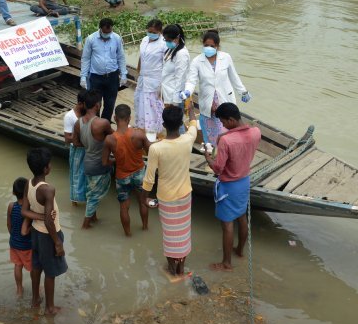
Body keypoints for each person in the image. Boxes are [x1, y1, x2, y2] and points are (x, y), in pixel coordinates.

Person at [203, 103, 261, 272]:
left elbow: (218, 168)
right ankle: (240, 251)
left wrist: (208, 157)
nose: (223, 125)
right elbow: (243, 136)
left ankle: (226, 263)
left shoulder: (227, 141)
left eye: (223, 122)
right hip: (244, 181)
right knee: (241, 217)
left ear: (231, 119)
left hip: (229, 185)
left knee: (227, 225)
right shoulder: (256, 132)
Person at [142, 104, 198, 277]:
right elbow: (194, 124)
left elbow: (149, 178)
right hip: (185, 194)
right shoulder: (188, 139)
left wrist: (145, 198)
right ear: (181, 123)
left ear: (163, 125)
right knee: (183, 232)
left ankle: (173, 270)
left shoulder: (156, 148)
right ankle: (182, 268)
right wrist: (190, 109)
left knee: (170, 234)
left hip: (166, 197)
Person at [182, 30, 251, 148]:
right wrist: (187, 91)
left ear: (217, 46)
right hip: (208, 103)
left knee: (228, 134)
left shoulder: (226, 57)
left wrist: (243, 92)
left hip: (224, 100)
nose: (208, 48)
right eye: (206, 45)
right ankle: (212, 158)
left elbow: (234, 77)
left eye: (212, 46)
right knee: (211, 137)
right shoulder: (197, 61)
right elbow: (191, 80)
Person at [21, 148, 67, 315]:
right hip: (49, 235)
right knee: (50, 272)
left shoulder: (29, 183)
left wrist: (40, 216)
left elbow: (24, 211)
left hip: (35, 233)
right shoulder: (48, 189)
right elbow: (49, 221)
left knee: (37, 266)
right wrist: (57, 242)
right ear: (46, 168)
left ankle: (35, 300)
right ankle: (50, 308)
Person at [102, 104, 150, 236]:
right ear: (129, 118)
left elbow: (105, 162)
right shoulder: (139, 134)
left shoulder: (109, 139)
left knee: (124, 207)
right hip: (139, 173)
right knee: (143, 201)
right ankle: (145, 228)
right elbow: (151, 152)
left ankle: (128, 235)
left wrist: (116, 160)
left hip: (122, 176)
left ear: (114, 118)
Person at [72, 90, 113, 229]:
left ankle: (93, 218)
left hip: (87, 163)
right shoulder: (102, 123)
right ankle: (85, 224)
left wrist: (89, 144)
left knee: (91, 194)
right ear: (97, 105)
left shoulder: (78, 123)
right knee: (94, 197)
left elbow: (76, 143)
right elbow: (114, 139)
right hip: (100, 165)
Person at [79, 17, 127, 120]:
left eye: (109, 32)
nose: (107, 35)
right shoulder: (91, 39)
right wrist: (83, 76)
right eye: (105, 32)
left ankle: (105, 124)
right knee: (94, 104)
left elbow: (121, 57)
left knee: (110, 104)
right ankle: (95, 124)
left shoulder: (117, 38)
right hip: (96, 77)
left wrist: (124, 74)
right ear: (100, 29)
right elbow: (86, 58)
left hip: (112, 77)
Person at [134, 19, 166, 137]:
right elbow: (141, 57)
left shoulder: (163, 44)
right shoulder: (144, 40)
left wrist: (163, 85)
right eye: (149, 31)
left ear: (160, 31)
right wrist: (138, 71)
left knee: (153, 106)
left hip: (155, 80)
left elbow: (166, 64)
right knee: (140, 104)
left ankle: (155, 131)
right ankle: (142, 129)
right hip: (143, 78)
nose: (151, 33)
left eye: (153, 32)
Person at [7, 177, 32, 296]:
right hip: (27, 245)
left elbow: (9, 225)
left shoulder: (11, 206)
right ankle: (35, 288)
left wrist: (13, 237)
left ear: (13, 192)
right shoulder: (29, 209)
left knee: (18, 265)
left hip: (14, 243)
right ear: (28, 192)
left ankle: (19, 289)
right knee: (33, 267)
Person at [63, 90, 88, 205]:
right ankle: (75, 202)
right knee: (76, 175)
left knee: (87, 175)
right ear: (81, 103)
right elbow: (67, 138)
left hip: (88, 148)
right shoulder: (69, 116)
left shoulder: (88, 112)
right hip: (77, 149)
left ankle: (87, 198)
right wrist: (80, 136)